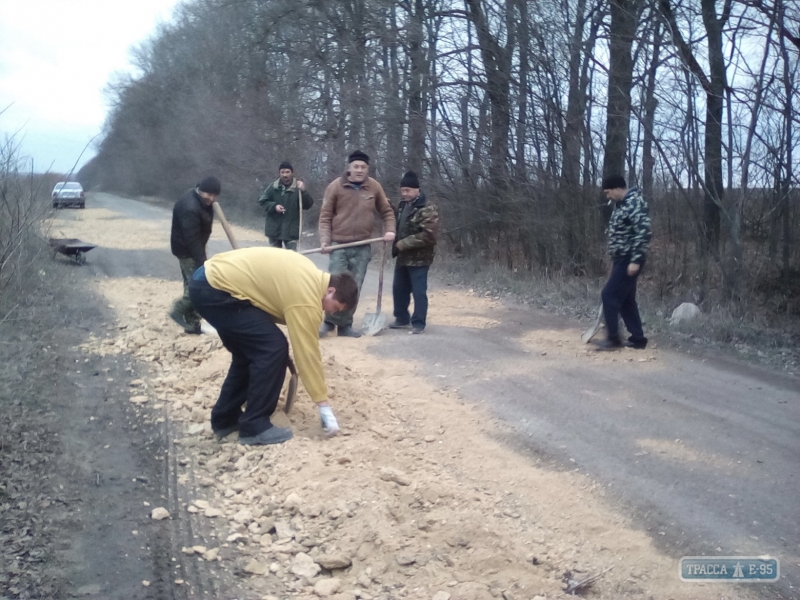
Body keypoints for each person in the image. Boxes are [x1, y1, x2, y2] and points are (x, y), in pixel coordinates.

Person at [188, 247, 359, 444]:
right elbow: (307, 353)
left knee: (250, 353)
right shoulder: (307, 297)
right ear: (331, 291)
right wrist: (323, 404)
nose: (331, 313)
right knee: (273, 349)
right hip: (217, 289)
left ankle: (225, 419)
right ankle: (254, 426)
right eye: (335, 307)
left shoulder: (309, 273)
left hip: (207, 281)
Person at [318, 150, 396, 338]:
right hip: (339, 246)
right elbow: (325, 216)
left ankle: (345, 325)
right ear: (349, 167)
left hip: (363, 246)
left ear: (367, 169)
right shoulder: (335, 187)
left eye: (363, 167)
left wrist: (390, 230)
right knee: (334, 286)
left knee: (354, 287)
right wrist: (324, 240)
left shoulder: (374, 187)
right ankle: (329, 322)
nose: (360, 170)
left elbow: (387, 211)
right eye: (356, 166)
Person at [596, 174, 652, 351]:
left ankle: (613, 339)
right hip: (621, 259)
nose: (608, 196)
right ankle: (638, 339)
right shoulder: (621, 205)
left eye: (608, 192)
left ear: (617, 188)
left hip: (630, 258)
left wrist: (635, 260)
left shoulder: (634, 203)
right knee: (626, 300)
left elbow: (643, 233)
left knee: (609, 295)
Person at [389, 171, 439, 334]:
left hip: (420, 259)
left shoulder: (427, 208)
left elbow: (429, 235)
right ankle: (401, 318)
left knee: (418, 291)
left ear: (417, 190)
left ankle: (418, 323)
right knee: (399, 288)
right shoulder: (403, 205)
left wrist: (403, 243)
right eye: (402, 190)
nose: (404, 194)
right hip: (403, 256)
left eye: (408, 190)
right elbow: (400, 222)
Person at [169, 176, 220, 335]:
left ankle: (192, 323)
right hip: (187, 250)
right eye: (208, 195)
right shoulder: (189, 207)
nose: (211, 199)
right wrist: (201, 261)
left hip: (192, 247)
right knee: (199, 286)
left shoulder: (199, 200)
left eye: (214, 195)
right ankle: (178, 310)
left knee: (192, 283)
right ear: (200, 190)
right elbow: (191, 238)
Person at [258, 162, 313, 250]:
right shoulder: (273, 187)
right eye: (282, 172)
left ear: (292, 173)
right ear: (279, 173)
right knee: (275, 258)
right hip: (274, 230)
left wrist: (303, 191)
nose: (285, 175)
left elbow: (308, 205)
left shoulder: (298, 189)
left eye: (287, 172)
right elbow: (262, 201)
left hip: (291, 231)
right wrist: (274, 206)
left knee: (291, 259)